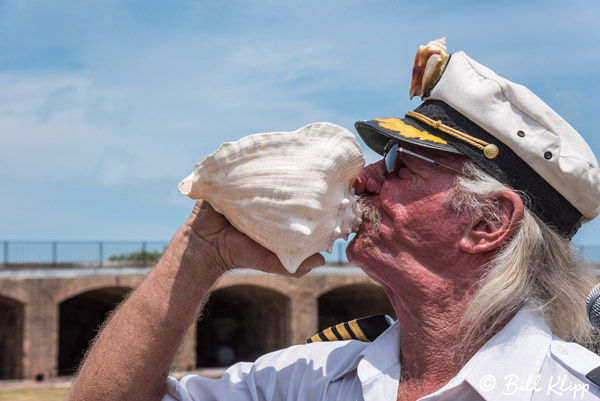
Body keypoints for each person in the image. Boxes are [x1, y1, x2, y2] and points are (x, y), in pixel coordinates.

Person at [67, 42, 600, 401]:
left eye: (399, 162)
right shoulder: (310, 379)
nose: (364, 177)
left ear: (487, 222)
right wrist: (200, 250)